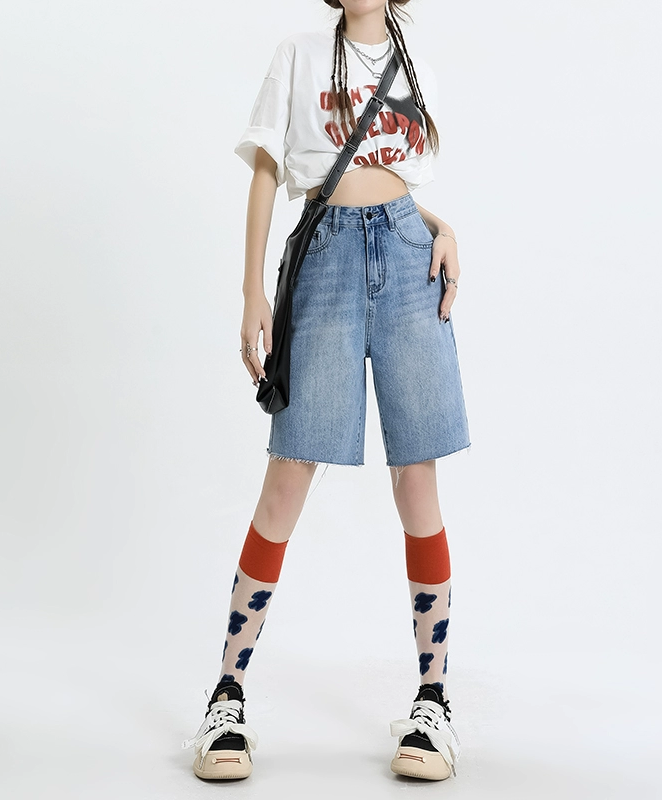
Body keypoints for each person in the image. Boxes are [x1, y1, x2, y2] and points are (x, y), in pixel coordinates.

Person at [182, 0, 470, 782]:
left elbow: (388, 182)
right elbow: (272, 168)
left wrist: (441, 226)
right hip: (325, 262)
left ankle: (434, 699)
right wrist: (252, 290)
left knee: (417, 476)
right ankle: (227, 692)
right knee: (289, 472)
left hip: (408, 261)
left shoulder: (417, 67)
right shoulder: (300, 53)